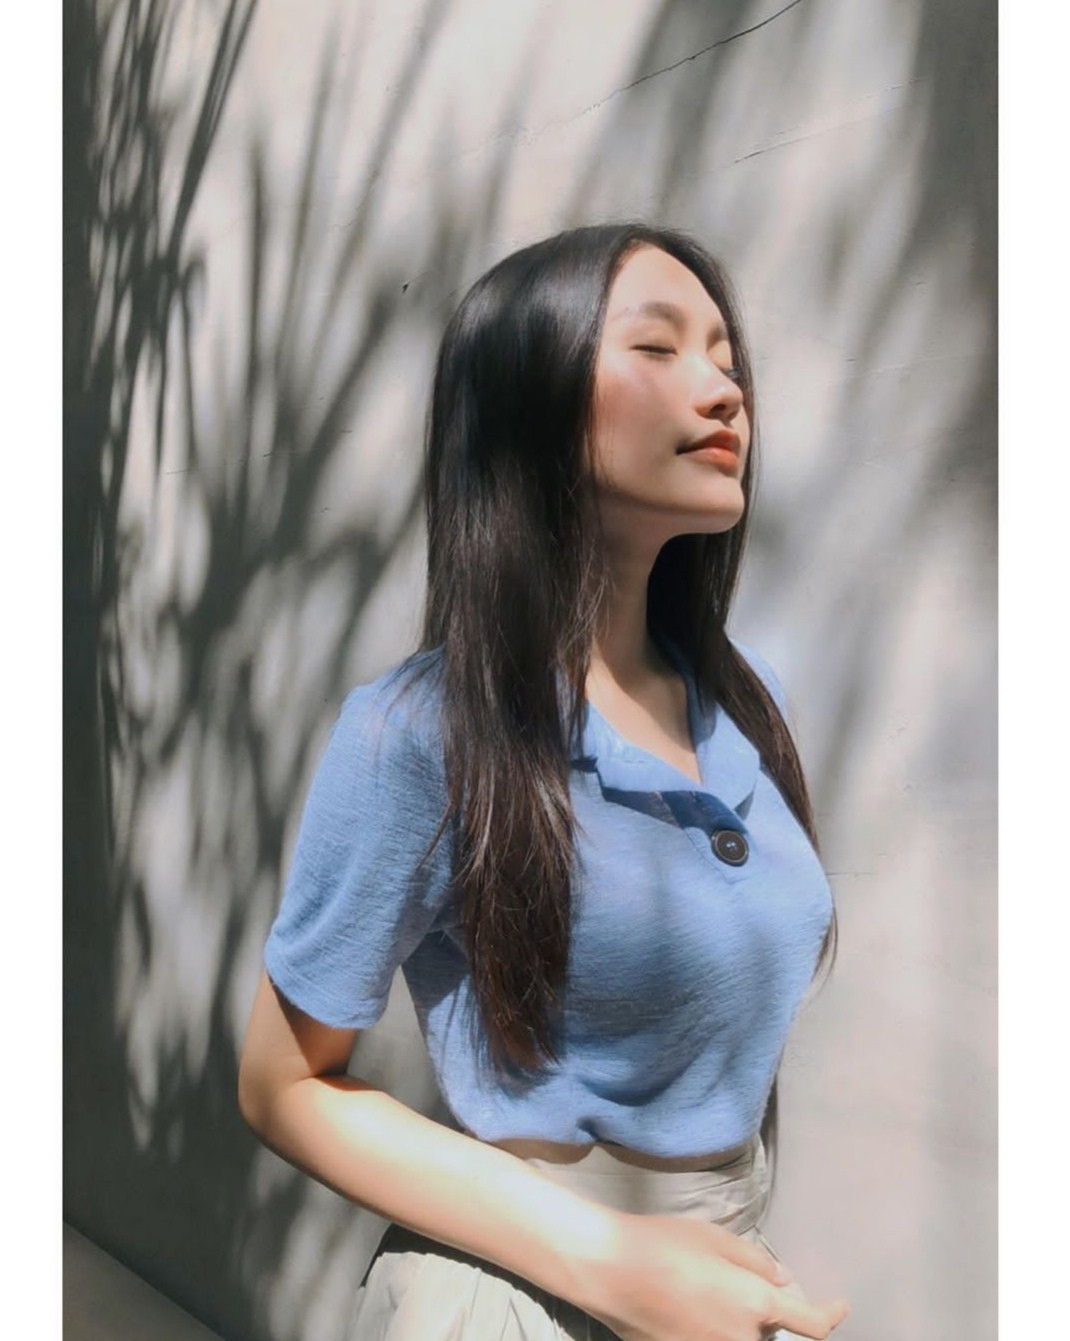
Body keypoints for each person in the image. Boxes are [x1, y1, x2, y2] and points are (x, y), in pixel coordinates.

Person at [238, 222, 851, 1340]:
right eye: (658, 348)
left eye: (725, 356)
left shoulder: (738, 695)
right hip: (514, 1299)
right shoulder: (419, 733)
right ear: (530, 396)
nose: (724, 390)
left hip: (716, 1277)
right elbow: (281, 1082)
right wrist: (610, 1260)